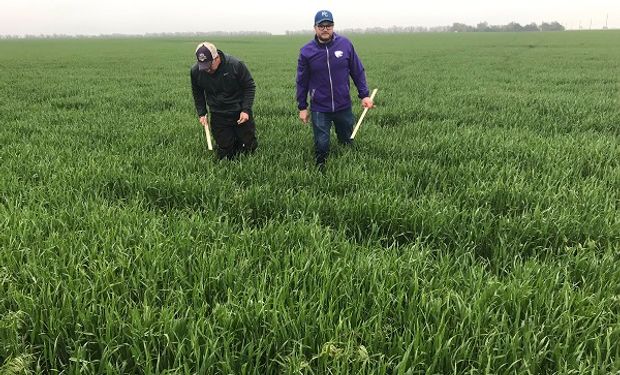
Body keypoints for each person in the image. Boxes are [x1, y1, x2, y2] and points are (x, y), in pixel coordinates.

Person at [296, 10, 374, 170]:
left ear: (333, 26)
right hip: (320, 107)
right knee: (322, 145)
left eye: (328, 25)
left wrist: (364, 95)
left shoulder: (345, 45)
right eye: (321, 25)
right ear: (315, 28)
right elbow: (301, 81)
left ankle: (349, 167)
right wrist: (302, 107)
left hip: (343, 105)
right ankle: (321, 170)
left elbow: (357, 70)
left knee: (347, 140)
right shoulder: (306, 51)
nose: (325, 29)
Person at [191, 42, 258, 160]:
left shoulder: (235, 65)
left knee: (248, 148)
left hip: (239, 112)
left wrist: (246, 110)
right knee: (226, 152)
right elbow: (198, 93)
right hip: (218, 114)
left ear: (216, 58)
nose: (207, 70)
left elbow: (249, 86)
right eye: (203, 66)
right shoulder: (196, 71)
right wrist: (202, 113)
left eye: (209, 65)